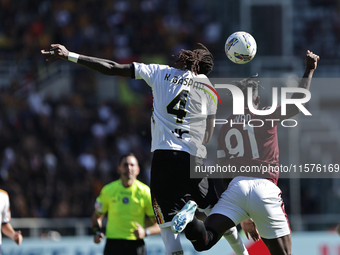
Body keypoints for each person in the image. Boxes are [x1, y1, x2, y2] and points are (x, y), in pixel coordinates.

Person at [41, 43, 251, 255]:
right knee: (217, 215)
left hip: (163, 158)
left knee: (169, 233)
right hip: (192, 158)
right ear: (202, 70)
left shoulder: (159, 72)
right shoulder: (208, 87)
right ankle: (243, 253)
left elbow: (112, 67)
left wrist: (70, 55)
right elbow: (207, 134)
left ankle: (188, 216)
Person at [171, 50, 320, 255]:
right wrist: (309, 70)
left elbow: (225, 175)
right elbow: (298, 103)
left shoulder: (225, 127)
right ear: (256, 99)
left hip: (236, 187)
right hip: (264, 187)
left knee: (204, 240)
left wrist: (243, 212)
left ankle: (190, 221)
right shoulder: (265, 113)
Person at [91, 153, 160, 255]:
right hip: (113, 245)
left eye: (132, 165)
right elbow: (96, 217)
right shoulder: (108, 190)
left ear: (138, 169)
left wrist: (145, 232)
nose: (129, 168)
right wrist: (97, 232)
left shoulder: (145, 192)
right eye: (125, 165)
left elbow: (159, 225)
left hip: (136, 246)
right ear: (119, 169)